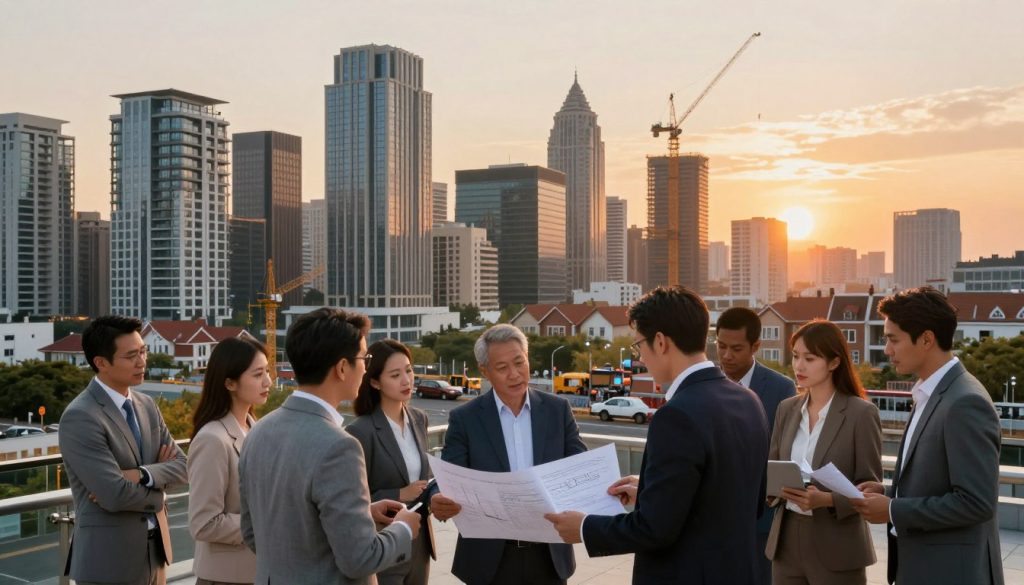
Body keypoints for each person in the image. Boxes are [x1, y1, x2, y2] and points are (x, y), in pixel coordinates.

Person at [545, 286, 770, 584]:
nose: (640, 358)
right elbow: (745, 500)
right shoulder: (748, 399)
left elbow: (654, 530)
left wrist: (585, 527)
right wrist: (654, 492)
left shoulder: (677, 415)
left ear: (661, 342)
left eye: (639, 346)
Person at [239, 307, 421, 585]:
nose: (365, 367)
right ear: (342, 368)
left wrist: (363, 514)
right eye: (364, 358)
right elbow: (359, 559)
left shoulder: (258, 430)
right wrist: (403, 530)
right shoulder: (339, 446)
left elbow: (253, 533)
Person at [851, 287, 1004, 585]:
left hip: (951, 573)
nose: (887, 350)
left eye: (893, 339)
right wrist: (889, 494)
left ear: (926, 339)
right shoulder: (931, 391)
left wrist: (893, 510)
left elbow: (977, 502)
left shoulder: (964, 402)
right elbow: (936, 480)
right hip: (923, 566)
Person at [430, 324, 586, 585]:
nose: (514, 374)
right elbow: (450, 478)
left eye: (519, 362)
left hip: (548, 554)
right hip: (488, 558)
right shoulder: (465, 419)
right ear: (485, 372)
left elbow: (580, 468)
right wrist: (438, 498)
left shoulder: (557, 410)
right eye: (502, 368)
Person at [58, 315, 188, 585]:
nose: (142, 362)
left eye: (143, 351)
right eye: (131, 356)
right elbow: (113, 494)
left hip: (156, 554)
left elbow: (184, 466)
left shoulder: (146, 405)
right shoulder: (81, 416)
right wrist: (159, 497)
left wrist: (140, 474)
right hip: (108, 563)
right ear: (101, 363)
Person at [765, 319, 882, 585]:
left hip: (837, 543)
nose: (799, 366)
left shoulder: (861, 414)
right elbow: (773, 468)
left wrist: (827, 500)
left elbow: (871, 487)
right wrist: (773, 490)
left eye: (810, 358)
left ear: (834, 362)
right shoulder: (786, 409)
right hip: (786, 540)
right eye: (795, 356)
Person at [716, 306, 797, 585]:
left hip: (760, 519)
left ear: (756, 346)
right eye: (721, 346)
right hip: (712, 518)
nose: (727, 356)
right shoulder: (705, 385)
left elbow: (784, 454)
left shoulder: (782, 389)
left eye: (736, 349)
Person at [347, 339, 435, 585]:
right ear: (375, 382)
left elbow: (424, 478)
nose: (406, 380)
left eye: (409, 370)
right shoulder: (361, 431)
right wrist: (400, 493)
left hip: (420, 543)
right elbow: (353, 500)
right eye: (395, 375)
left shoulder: (419, 419)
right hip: (383, 543)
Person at [188, 337, 271, 585]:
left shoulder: (256, 429)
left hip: (259, 572)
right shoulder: (213, 439)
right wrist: (267, 522)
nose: (268, 381)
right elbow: (204, 523)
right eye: (258, 374)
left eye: (267, 371)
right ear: (230, 383)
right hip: (225, 578)